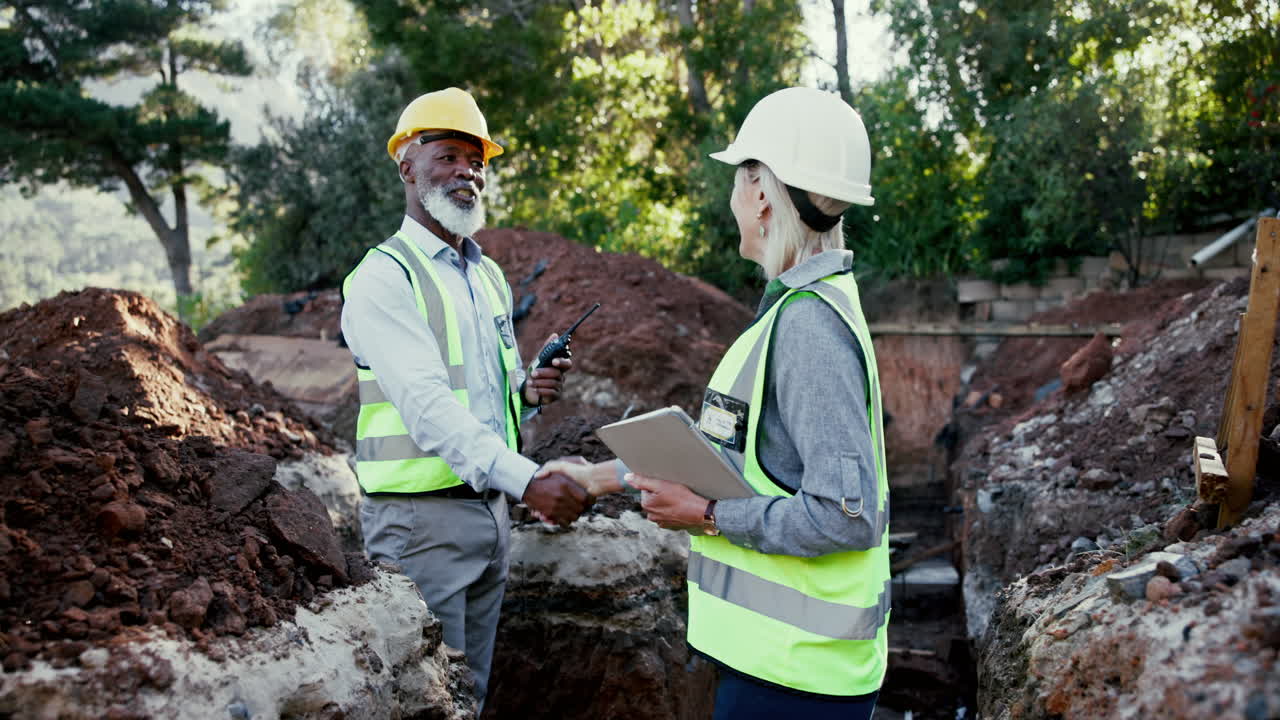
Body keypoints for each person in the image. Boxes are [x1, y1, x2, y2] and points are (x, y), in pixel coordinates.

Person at [539, 87, 890, 718]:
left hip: (797, 683)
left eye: (739, 177)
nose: (733, 197)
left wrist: (706, 516)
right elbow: (728, 460)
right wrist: (594, 478)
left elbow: (845, 517)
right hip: (778, 669)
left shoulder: (809, 330)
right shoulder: (793, 314)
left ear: (760, 192)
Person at [340, 87, 591, 707]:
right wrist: (528, 480)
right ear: (407, 165)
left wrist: (527, 394)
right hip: (420, 527)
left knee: (469, 696)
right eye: (448, 155)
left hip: (488, 516)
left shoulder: (486, 274)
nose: (466, 173)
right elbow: (428, 409)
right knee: (425, 703)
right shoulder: (383, 276)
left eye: (476, 161)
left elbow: (484, 398)